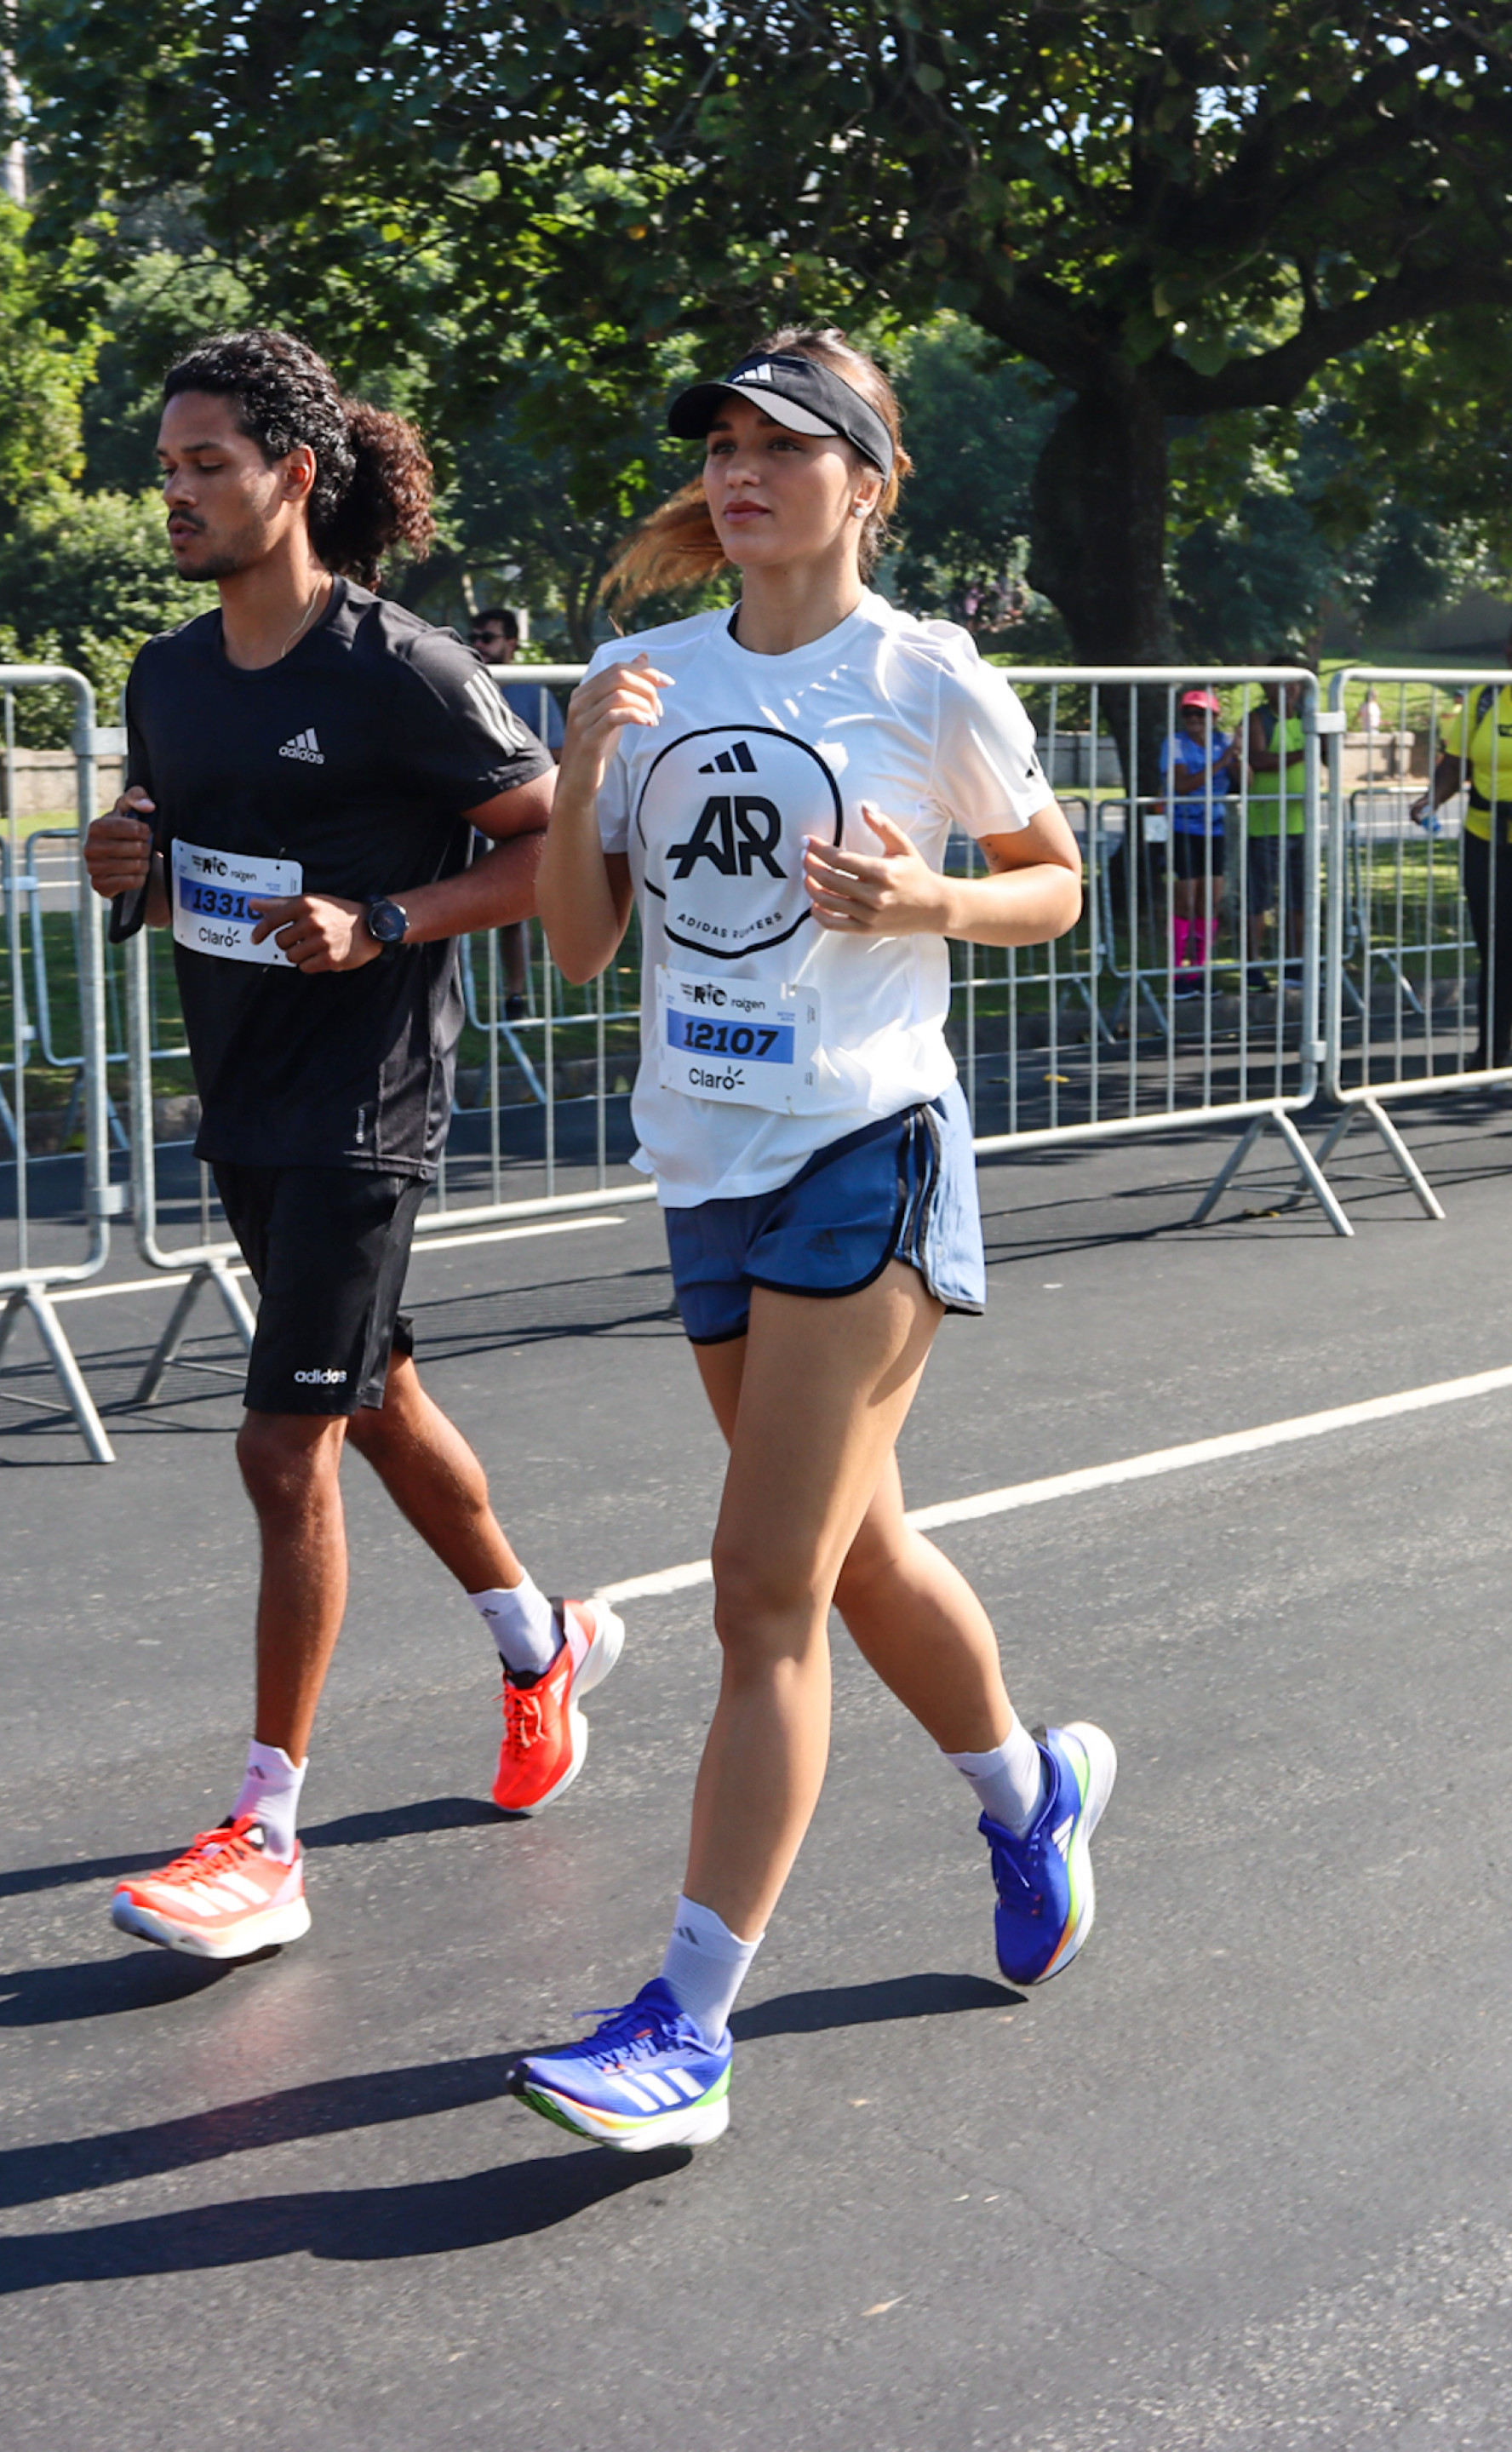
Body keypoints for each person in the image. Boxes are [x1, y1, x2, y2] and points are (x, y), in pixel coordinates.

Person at [507, 329, 1114, 2153]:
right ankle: (1028, 1796)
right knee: (852, 1555)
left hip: (870, 1143)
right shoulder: (638, 674)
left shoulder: (925, 678)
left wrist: (930, 893)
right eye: (721, 446)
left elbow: (1058, 882)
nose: (740, 470)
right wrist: (571, 777)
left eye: (785, 443)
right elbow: (579, 947)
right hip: (704, 1159)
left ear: (869, 481)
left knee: (761, 1583)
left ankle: (685, 2024)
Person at [81, 330, 622, 1962]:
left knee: (281, 1444)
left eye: (207, 467)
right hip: (242, 1089)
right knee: (371, 1394)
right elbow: (170, 859)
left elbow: (554, 858)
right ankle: (541, 1647)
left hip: (367, 1103)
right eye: (165, 469)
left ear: (293, 479)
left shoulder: (404, 670)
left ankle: (267, 1831)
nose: (174, 494)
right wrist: (126, 856)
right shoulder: (167, 674)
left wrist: (387, 916)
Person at [1412, 623, 1512, 1072]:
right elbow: (1454, 767)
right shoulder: (1484, 700)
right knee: (1495, 946)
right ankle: (1492, 1047)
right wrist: (1430, 799)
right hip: (1486, 838)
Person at [468, 608, 567, 1022]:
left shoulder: (532, 693)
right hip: (462, 821)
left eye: (487, 639)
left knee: (515, 914)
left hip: (516, 826)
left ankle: (515, 997)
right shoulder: (456, 683)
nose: (478, 647)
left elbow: (560, 754)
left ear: (511, 644)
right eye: (473, 637)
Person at [1243, 655, 1321, 977]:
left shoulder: (1309, 718)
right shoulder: (1259, 719)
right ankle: (1253, 966)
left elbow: (1329, 757)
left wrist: (1326, 741)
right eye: (1280, 682)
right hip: (1265, 825)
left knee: (1300, 898)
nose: (1287, 689)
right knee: (1260, 899)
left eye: (1293, 683)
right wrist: (1306, 750)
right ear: (1266, 685)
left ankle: (1295, 964)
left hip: (1303, 824)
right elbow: (1258, 759)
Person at [1160, 687, 1238, 988]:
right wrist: (1221, 762)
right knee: (1186, 902)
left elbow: (1246, 781)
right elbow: (1182, 784)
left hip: (1214, 829)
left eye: (1201, 714)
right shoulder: (1175, 744)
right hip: (1183, 828)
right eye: (1189, 713)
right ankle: (1178, 970)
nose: (1194, 719)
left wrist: (1238, 758)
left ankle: (1200, 969)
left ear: (1214, 718)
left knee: (1211, 902)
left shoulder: (1223, 742)